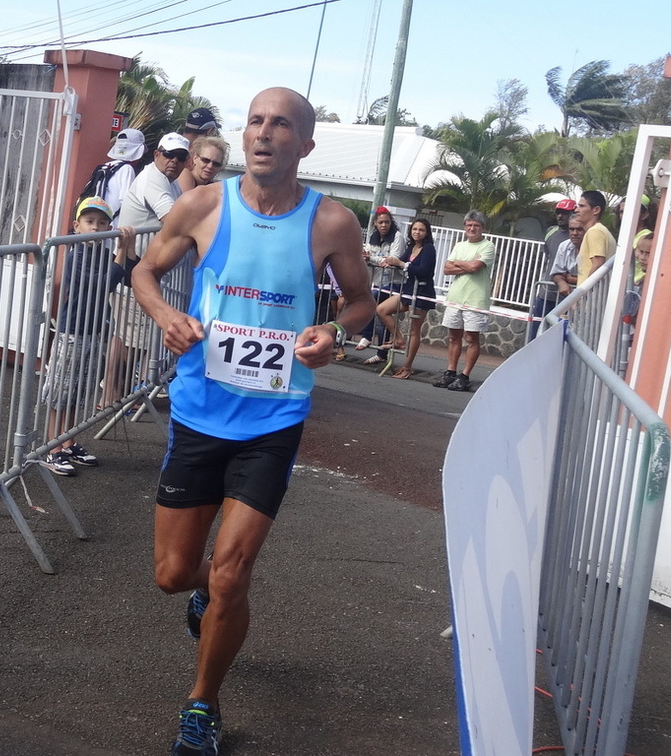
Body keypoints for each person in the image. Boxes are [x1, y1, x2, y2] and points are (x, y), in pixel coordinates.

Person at [131, 87, 374, 756]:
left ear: (306, 144)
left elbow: (360, 303)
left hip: (273, 419)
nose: (264, 133)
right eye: (256, 122)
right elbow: (144, 272)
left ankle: (202, 705)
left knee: (232, 572)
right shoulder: (203, 205)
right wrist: (166, 316)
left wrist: (333, 332)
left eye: (281, 125)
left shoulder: (332, 222)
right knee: (174, 573)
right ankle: (206, 594)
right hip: (200, 411)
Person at [40, 196, 134, 475]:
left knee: (78, 390)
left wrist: (127, 248)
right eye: (89, 221)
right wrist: (120, 251)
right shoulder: (75, 255)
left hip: (94, 331)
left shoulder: (103, 255)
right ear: (76, 226)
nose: (95, 227)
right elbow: (104, 284)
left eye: (102, 223)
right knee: (61, 391)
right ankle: (52, 448)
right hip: (73, 330)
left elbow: (129, 276)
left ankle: (68, 442)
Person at [105, 133, 190, 406]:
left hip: (143, 271)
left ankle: (119, 395)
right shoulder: (153, 179)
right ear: (157, 155)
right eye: (168, 154)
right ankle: (109, 394)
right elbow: (174, 221)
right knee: (129, 340)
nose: (173, 161)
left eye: (180, 157)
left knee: (133, 339)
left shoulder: (170, 183)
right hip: (134, 270)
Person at [362, 218, 438, 379]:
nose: (417, 232)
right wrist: (388, 262)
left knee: (414, 330)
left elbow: (424, 271)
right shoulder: (411, 246)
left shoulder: (429, 249)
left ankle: (407, 367)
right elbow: (399, 261)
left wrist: (403, 265)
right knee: (381, 309)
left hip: (422, 292)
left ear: (427, 233)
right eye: (415, 229)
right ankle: (399, 339)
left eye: (421, 230)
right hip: (409, 290)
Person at [433, 210, 495, 392]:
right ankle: (450, 371)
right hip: (456, 297)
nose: (472, 228)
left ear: (482, 228)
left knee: (471, 338)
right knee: (454, 337)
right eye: (469, 225)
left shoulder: (487, 246)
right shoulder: (459, 245)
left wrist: (459, 263)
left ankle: (465, 375)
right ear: (464, 227)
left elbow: (476, 267)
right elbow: (446, 269)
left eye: (476, 225)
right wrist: (467, 265)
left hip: (476, 299)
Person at [355, 206, 403, 351]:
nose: (384, 225)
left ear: (391, 222)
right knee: (380, 315)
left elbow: (393, 259)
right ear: (375, 223)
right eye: (381, 222)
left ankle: (368, 337)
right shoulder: (373, 236)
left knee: (373, 302)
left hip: (393, 283)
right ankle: (381, 352)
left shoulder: (397, 237)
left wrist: (372, 258)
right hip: (376, 281)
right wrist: (367, 257)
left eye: (387, 222)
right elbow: (368, 254)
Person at [530, 198, 576, 339]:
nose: (560, 216)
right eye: (558, 212)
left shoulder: (578, 236)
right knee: (536, 335)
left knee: (558, 338)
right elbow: (549, 257)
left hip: (566, 297)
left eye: (565, 213)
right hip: (545, 294)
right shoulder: (551, 232)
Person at [85, 128, 145, 227]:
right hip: (114, 226)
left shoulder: (106, 166)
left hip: (100, 224)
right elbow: (126, 201)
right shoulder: (127, 169)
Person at [575, 190, 616, 285]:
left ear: (596, 210)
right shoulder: (599, 230)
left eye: (582, 206)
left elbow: (598, 264)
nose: (576, 210)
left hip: (593, 293)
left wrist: (585, 291)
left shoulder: (595, 231)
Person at [177, 107, 219, 192]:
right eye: (205, 160)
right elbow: (187, 199)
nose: (210, 165)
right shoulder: (186, 162)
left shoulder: (171, 145)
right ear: (209, 131)